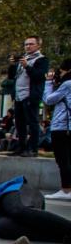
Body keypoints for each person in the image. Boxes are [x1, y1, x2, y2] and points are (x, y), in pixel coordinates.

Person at [8, 37, 50, 157]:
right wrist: (12, 65)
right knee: (19, 123)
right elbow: (12, 77)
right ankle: (21, 147)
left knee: (32, 123)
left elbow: (38, 76)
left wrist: (27, 66)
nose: (28, 46)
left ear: (38, 46)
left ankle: (33, 149)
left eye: (31, 44)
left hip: (30, 96)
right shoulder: (23, 59)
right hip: (18, 96)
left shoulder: (42, 60)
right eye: (26, 44)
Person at [43, 59, 71, 200]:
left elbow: (48, 100)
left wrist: (48, 83)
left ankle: (66, 190)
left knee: (62, 159)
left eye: (60, 71)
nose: (59, 73)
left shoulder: (67, 84)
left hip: (62, 126)